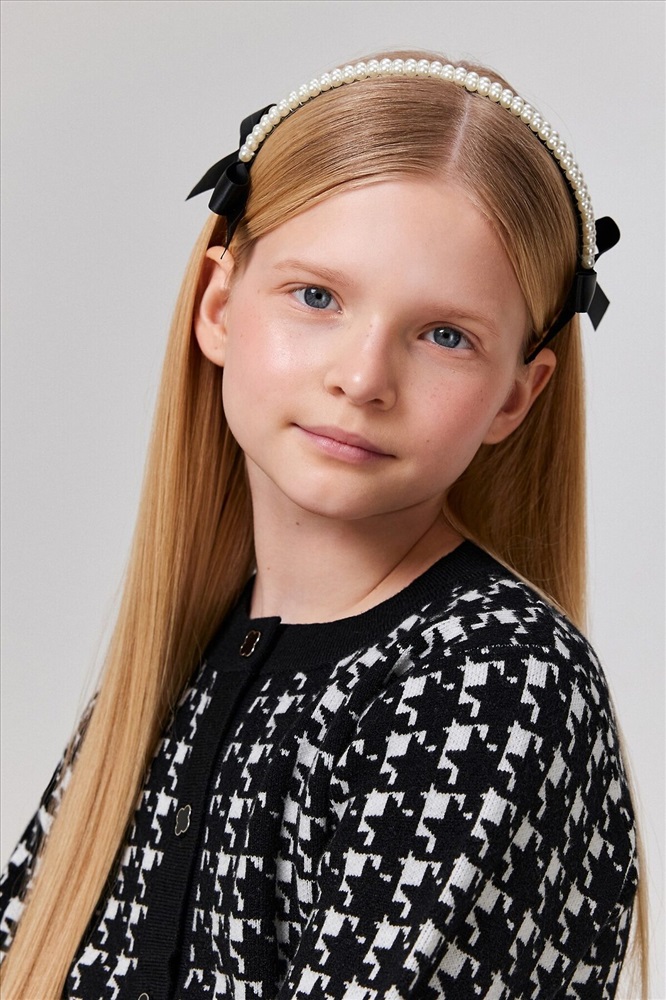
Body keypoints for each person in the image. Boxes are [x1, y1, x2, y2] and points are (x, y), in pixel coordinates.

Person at [0, 52, 646, 999]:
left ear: (517, 395)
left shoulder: (496, 685)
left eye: (445, 335)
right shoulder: (175, 669)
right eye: (318, 297)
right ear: (219, 307)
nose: (362, 377)